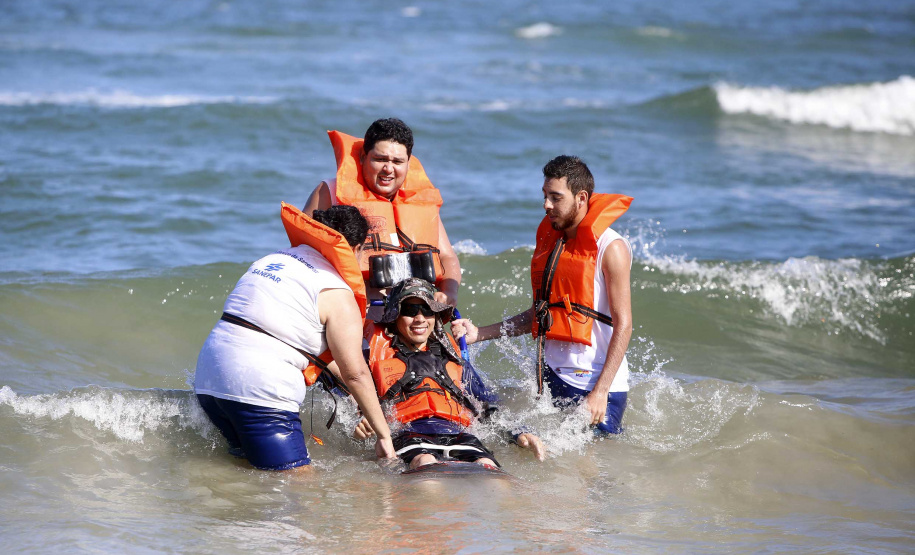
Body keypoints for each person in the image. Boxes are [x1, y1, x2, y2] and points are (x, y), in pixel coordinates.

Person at [194, 204, 396, 471]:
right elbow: (355, 373)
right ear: (357, 248)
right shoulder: (336, 290)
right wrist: (384, 435)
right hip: (259, 389)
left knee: (248, 476)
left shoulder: (271, 260)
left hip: (209, 380)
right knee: (299, 485)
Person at [453, 155, 634, 434]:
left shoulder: (611, 248)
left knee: (595, 471)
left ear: (581, 197)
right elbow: (541, 314)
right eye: (545, 195)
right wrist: (479, 334)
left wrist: (600, 392)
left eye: (556, 197)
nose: (546, 205)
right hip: (551, 376)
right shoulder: (555, 243)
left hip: (595, 387)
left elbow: (624, 325)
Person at [352, 278, 546, 470]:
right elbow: (356, 404)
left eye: (427, 310)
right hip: (410, 435)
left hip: (459, 434)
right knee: (425, 463)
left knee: (487, 466)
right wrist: (360, 424)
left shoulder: (454, 360)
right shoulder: (373, 361)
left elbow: (488, 406)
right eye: (410, 311)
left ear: (435, 317)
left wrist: (520, 433)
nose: (420, 318)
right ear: (395, 316)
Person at [303, 118, 461, 309]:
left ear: (408, 164)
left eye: (397, 161)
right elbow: (305, 254)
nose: (388, 169)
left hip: (413, 314)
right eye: (380, 159)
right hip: (357, 311)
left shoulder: (420, 202)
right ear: (363, 157)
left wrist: (450, 292)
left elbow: (447, 257)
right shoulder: (330, 192)